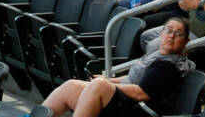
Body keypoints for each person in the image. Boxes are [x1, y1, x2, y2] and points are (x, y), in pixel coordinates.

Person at [40, 17, 193, 117]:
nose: (171, 36)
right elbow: (131, 78)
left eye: (178, 33)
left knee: (99, 85)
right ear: (161, 33)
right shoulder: (156, 53)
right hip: (124, 102)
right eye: (169, 30)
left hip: (137, 110)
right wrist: (109, 80)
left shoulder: (168, 65)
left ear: (186, 41)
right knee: (71, 86)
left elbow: (142, 93)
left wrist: (105, 85)